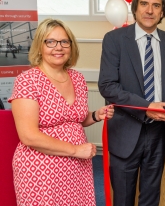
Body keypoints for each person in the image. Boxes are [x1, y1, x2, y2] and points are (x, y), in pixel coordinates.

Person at [98, 0, 165, 206]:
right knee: (123, 198)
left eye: (156, 5)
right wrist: (147, 106)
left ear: (162, 12)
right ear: (135, 8)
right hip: (125, 131)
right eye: (144, 4)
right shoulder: (115, 40)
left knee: (151, 198)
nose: (149, 10)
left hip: (158, 133)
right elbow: (108, 87)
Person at [8, 18, 115, 206]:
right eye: (51, 42)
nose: (59, 47)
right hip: (42, 169)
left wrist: (96, 115)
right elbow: (28, 136)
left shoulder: (77, 78)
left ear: (71, 46)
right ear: (40, 46)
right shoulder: (28, 80)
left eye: (64, 42)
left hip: (77, 167)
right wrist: (75, 150)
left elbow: (74, 120)